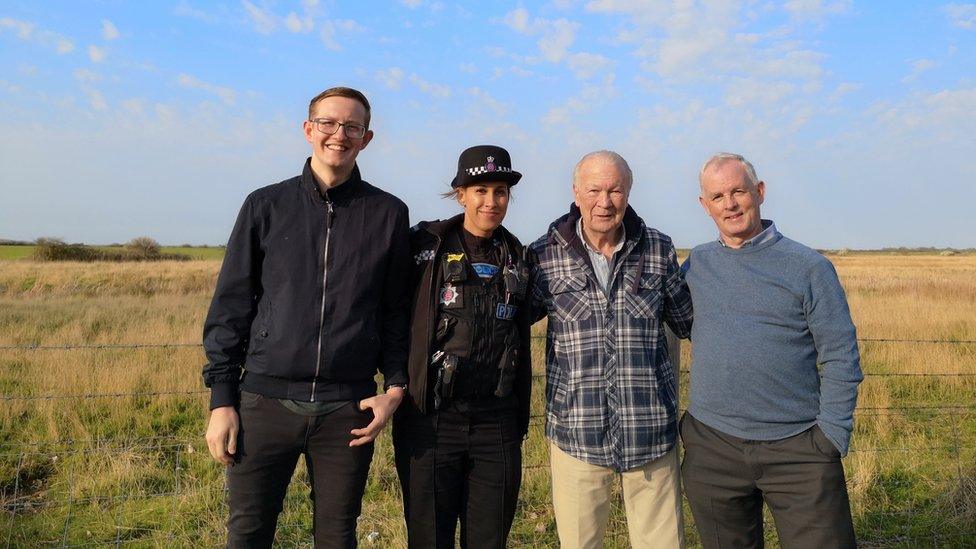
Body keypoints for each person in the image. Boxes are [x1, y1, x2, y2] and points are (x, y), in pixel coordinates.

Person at [202, 86, 411, 548]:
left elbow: (396, 310)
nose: (339, 134)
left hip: (347, 410)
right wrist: (222, 400)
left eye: (352, 126)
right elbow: (231, 307)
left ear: (367, 137)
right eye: (328, 123)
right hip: (263, 403)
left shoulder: (388, 214)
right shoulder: (265, 206)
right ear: (308, 129)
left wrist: (395, 387)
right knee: (249, 533)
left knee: (337, 536)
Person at [681, 152, 862, 548]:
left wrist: (830, 436)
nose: (729, 204)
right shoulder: (697, 265)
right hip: (713, 447)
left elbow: (840, 355)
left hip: (799, 449)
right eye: (717, 197)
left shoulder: (808, 267)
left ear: (759, 192)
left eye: (738, 191)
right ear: (704, 206)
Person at [528, 150, 693, 548]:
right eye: (595, 190)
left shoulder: (657, 248)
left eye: (615, 190)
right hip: (576, 435)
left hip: (651, 432)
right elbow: (508, 325)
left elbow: (689, 322)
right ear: (576, 192)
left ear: (629, 192)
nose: (605, 201)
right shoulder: (544, 254)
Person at [392, 145, 533, 549]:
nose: (492, 201)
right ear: (461, 194)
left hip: (498, 422)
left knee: (489, 539)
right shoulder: (424, 247)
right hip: (431, 418)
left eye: (501, 191)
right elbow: (389, 310)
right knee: (430, 538)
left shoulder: (519, 256)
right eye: (481, 190)